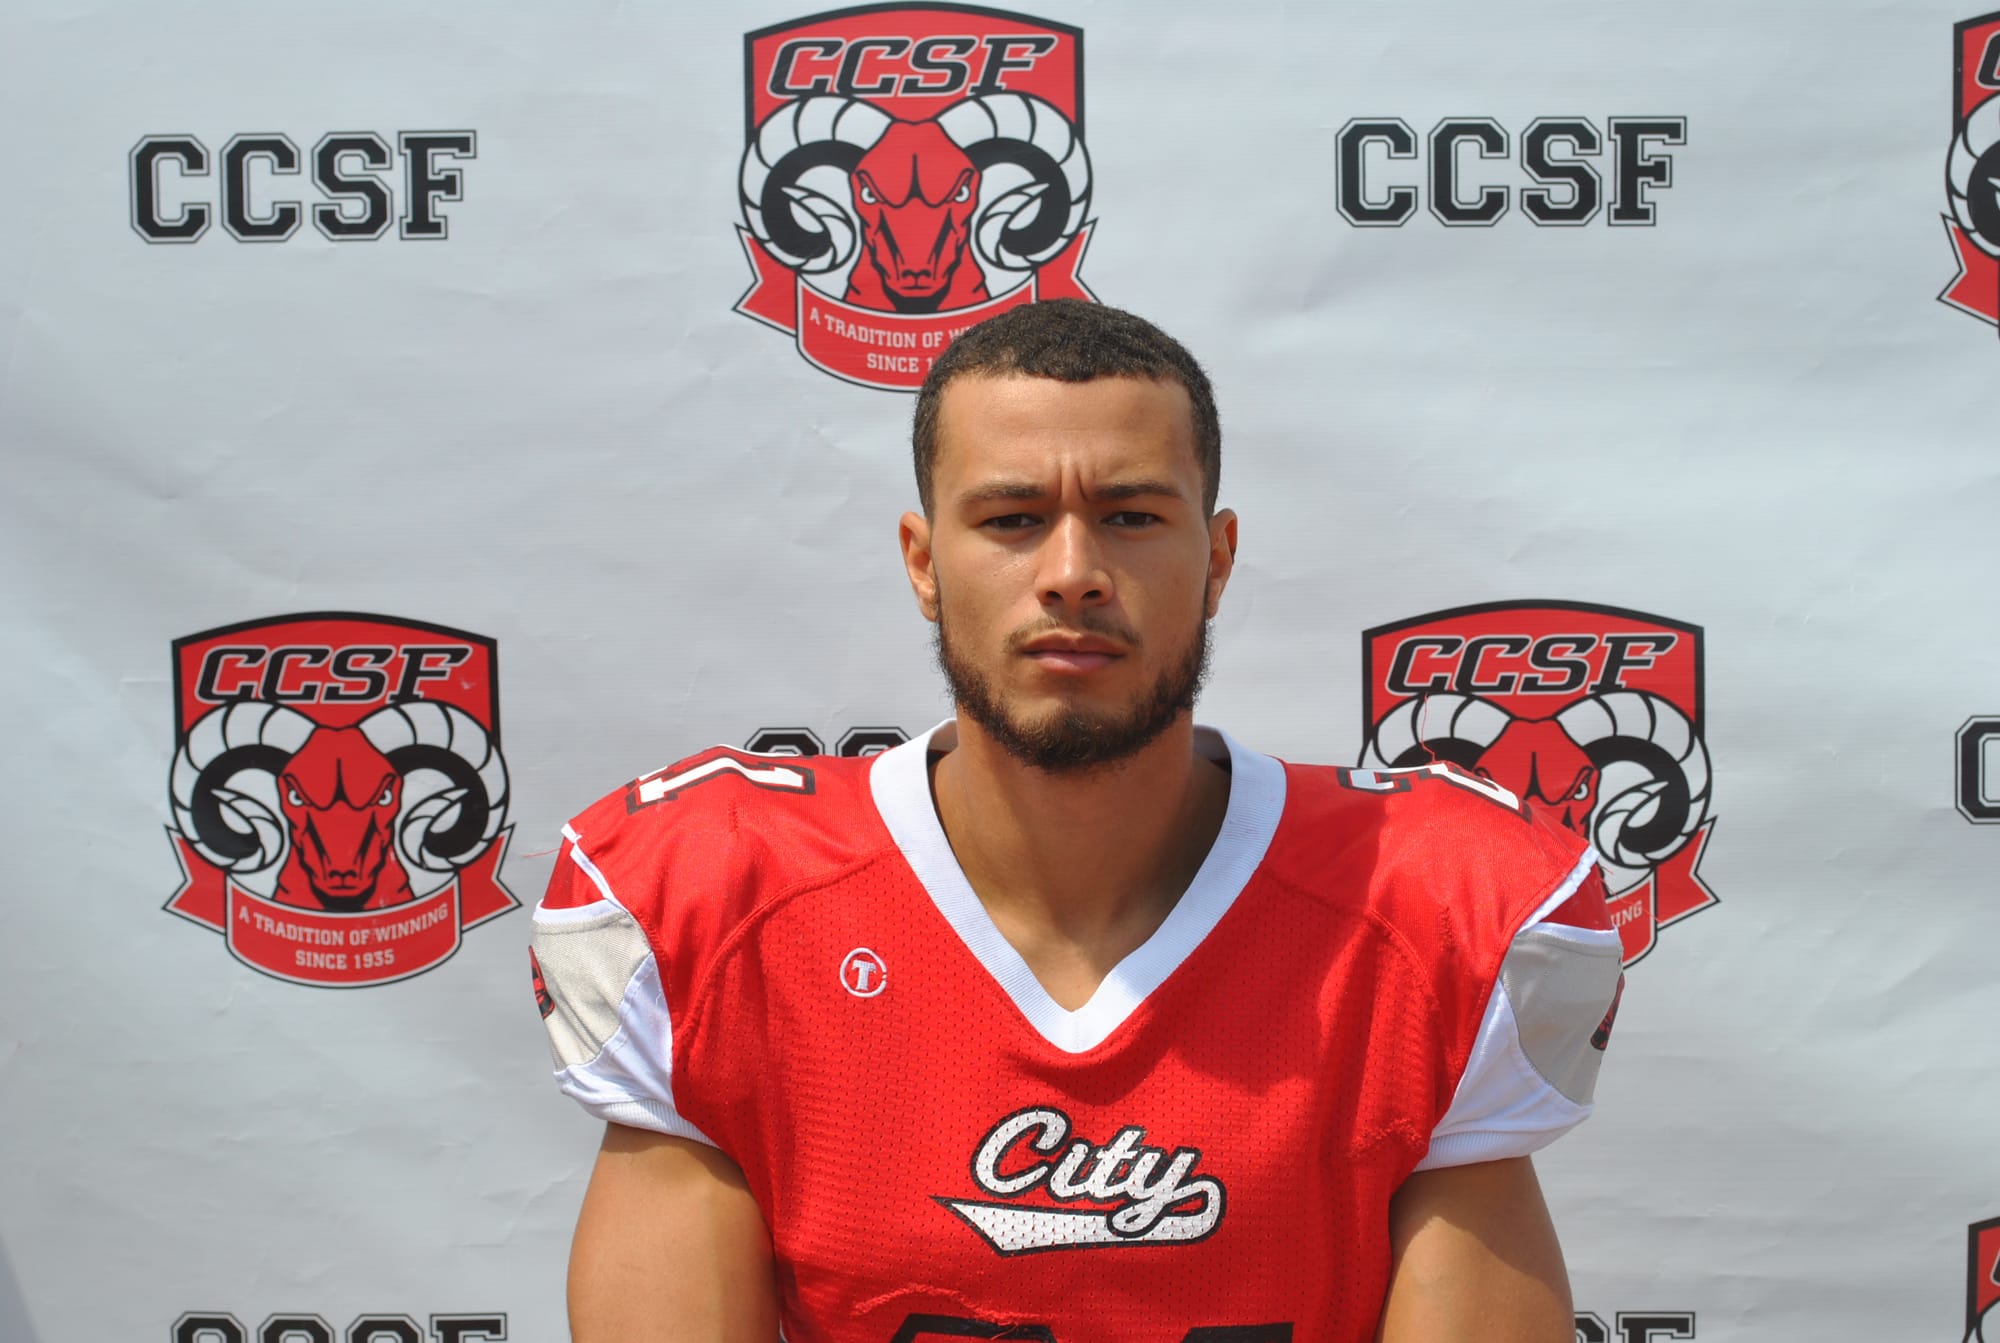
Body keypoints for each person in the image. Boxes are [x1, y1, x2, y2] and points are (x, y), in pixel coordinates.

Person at [530, 299, 1625, 1342]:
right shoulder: (717, 907)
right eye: (1012, 520)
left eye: (1131, 517)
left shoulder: (1429, 911)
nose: (1072, 574)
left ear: (1217, 559)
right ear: (923, 562)